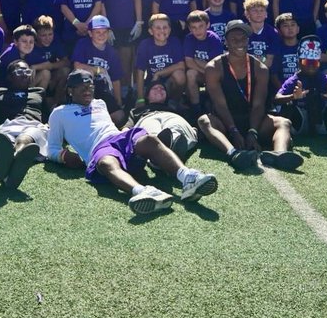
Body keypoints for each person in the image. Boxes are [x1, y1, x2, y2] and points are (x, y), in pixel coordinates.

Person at [45, 70, 218, 214]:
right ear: (70, 91)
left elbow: (107, 127)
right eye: (82, 88)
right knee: (106, 162)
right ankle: (143, 192)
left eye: (90, 87)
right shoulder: (59, 113)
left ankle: (187, 177)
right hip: (98, 149)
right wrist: (64, 156)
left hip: (118, 137)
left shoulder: (100, 103)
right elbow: (51, 148)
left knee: (150, 139)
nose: (88, 91)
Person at [198, 20, 302, 171]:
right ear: (226, 42)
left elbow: (259, 104)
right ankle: (233, 153)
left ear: (248, 40)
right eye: (234, 39)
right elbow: (220, 104)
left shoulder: (260, 68)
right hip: (226, 121)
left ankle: (280, 154)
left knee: (284, 123)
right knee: (204, 121)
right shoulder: (214, 68)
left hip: (253, 119)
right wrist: (233, 131)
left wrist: (252, 132)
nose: (239, 42)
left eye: (243, 38)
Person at [0, 60, 48, 190]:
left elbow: (46, 115)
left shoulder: (39, 92)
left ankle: (14, 156)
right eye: (19, 72)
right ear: (9, 76)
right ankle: (12, 169)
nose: (25, 75)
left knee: (27, 137)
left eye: (27, 71)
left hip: (33, 125)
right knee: (3, 138)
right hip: (8, 125)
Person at [274, 37, 327, 137]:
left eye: (315, 63)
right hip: (300, 122)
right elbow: (277, 98)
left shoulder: (325, 78)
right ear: (299, 62)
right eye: (307, 62)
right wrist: (293, 97)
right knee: (287, 105)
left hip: (323, 122)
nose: (311, 66)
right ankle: (285, 134)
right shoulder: (294, 80)